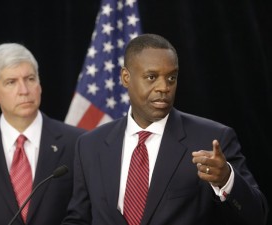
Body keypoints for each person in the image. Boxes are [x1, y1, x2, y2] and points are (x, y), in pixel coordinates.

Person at [61, 33, 269, 225]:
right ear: (126, 78)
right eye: (152, 77)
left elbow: (258, 216)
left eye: (171, 78)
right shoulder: (90, 145)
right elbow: (79, 218)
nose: (164, 87)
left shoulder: (212, 139)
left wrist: (226, 180)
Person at [0, 43, 85, 225]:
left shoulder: (79, 143)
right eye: (11, 82)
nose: (24, 90)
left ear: (39, 85)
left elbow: (89, 213)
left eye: (30, 79)